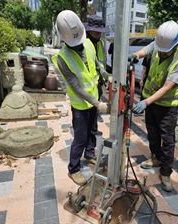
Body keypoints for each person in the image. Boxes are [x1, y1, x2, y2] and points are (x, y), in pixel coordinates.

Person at [130, 21, 178, 192]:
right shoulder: (159, 45)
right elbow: (146, 50)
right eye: (160, 50)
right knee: (153, 133)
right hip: (151, 103)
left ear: (176, 45)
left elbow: (166, 88)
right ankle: (155, 157)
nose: (162, 54)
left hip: (166, 107)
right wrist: (135, 55)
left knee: (168, 140)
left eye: (166, 52)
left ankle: (165, 172)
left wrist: (145, 102)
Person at [52, 10, 112, 186]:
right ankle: (74, 169)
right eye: (74, 44)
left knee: (93, 131)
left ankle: (90, 154)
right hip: (80, 105)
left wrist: (105, 74)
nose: (79, 46)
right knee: (80, 137)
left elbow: (96, 64)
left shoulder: (87, 44)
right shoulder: (62, 58)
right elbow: (76, 87)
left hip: (93, 101)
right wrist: (97, 103)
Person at [84, 15, 109, 124]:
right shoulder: (83, 44)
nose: (98, 35)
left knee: (98, 96)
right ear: (88, 32)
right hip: (86, 80)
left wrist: (106, 76)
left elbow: (101, 61)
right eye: (96, 33)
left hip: (98, 77)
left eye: (100, 33)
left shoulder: (101, 43)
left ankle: (95, 115)